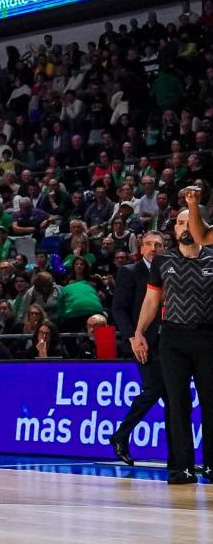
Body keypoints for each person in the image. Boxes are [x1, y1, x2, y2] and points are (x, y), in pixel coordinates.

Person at [132, 188, 213, 484]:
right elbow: (152, 300)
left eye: (188, 221)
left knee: (211, 404)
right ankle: (182, 467)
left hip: (208, 338)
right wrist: (139, 332)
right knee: (177, 405)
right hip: (173, 339)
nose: (183, 227)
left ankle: (211, 466)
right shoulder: (163, 262)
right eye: (179, 223)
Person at [110, 231, 167, 464]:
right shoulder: (130, 271)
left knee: (170, 397)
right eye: (149, 244)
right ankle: (121, 435)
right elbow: (119, 309)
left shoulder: (169, 270)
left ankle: (179, 457)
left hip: (171, 342)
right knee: (154, 389)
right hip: (143, 343)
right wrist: (133, 337)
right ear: (141, 248)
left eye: (158, 245)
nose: (154, 248)